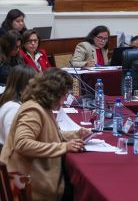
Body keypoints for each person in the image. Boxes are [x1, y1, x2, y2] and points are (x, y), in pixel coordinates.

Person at [0, 68, 91, 201]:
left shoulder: (42, 107)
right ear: (54, 93)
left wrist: (76, 134)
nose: (65, 99)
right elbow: (22, 144)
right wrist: (64, 147)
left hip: (33, 181)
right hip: (27, 186)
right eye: (64, 95)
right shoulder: (33, 110)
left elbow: (47, 134)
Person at [0, 65, 37, 147]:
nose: (37, 89)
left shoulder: (17, 104)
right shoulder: (13, 108)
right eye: (34, 86)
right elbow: (16, 144)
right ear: (22, 88)